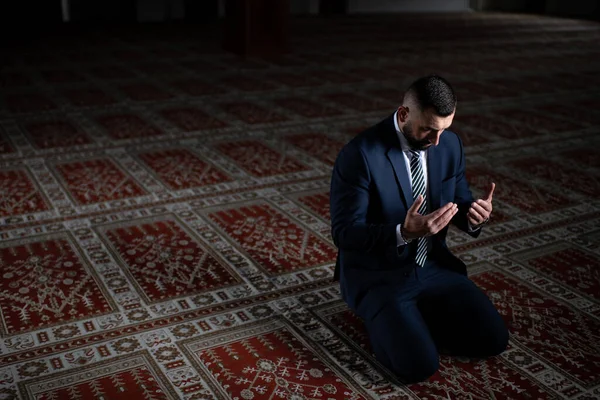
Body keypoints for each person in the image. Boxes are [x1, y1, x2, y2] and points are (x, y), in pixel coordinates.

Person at [329, 75, 509, 384]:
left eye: (444, 129)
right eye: (428, 129)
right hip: (380, 276)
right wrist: (402, 232)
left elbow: (460, 199)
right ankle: (390, 321)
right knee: (418, 366)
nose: (436, 141)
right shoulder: (359, 155)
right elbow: (345, 233)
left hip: (433, 267)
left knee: (494, 340)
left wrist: (473, 215)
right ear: (403, 114)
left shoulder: (448, 144)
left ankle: (415, 319)